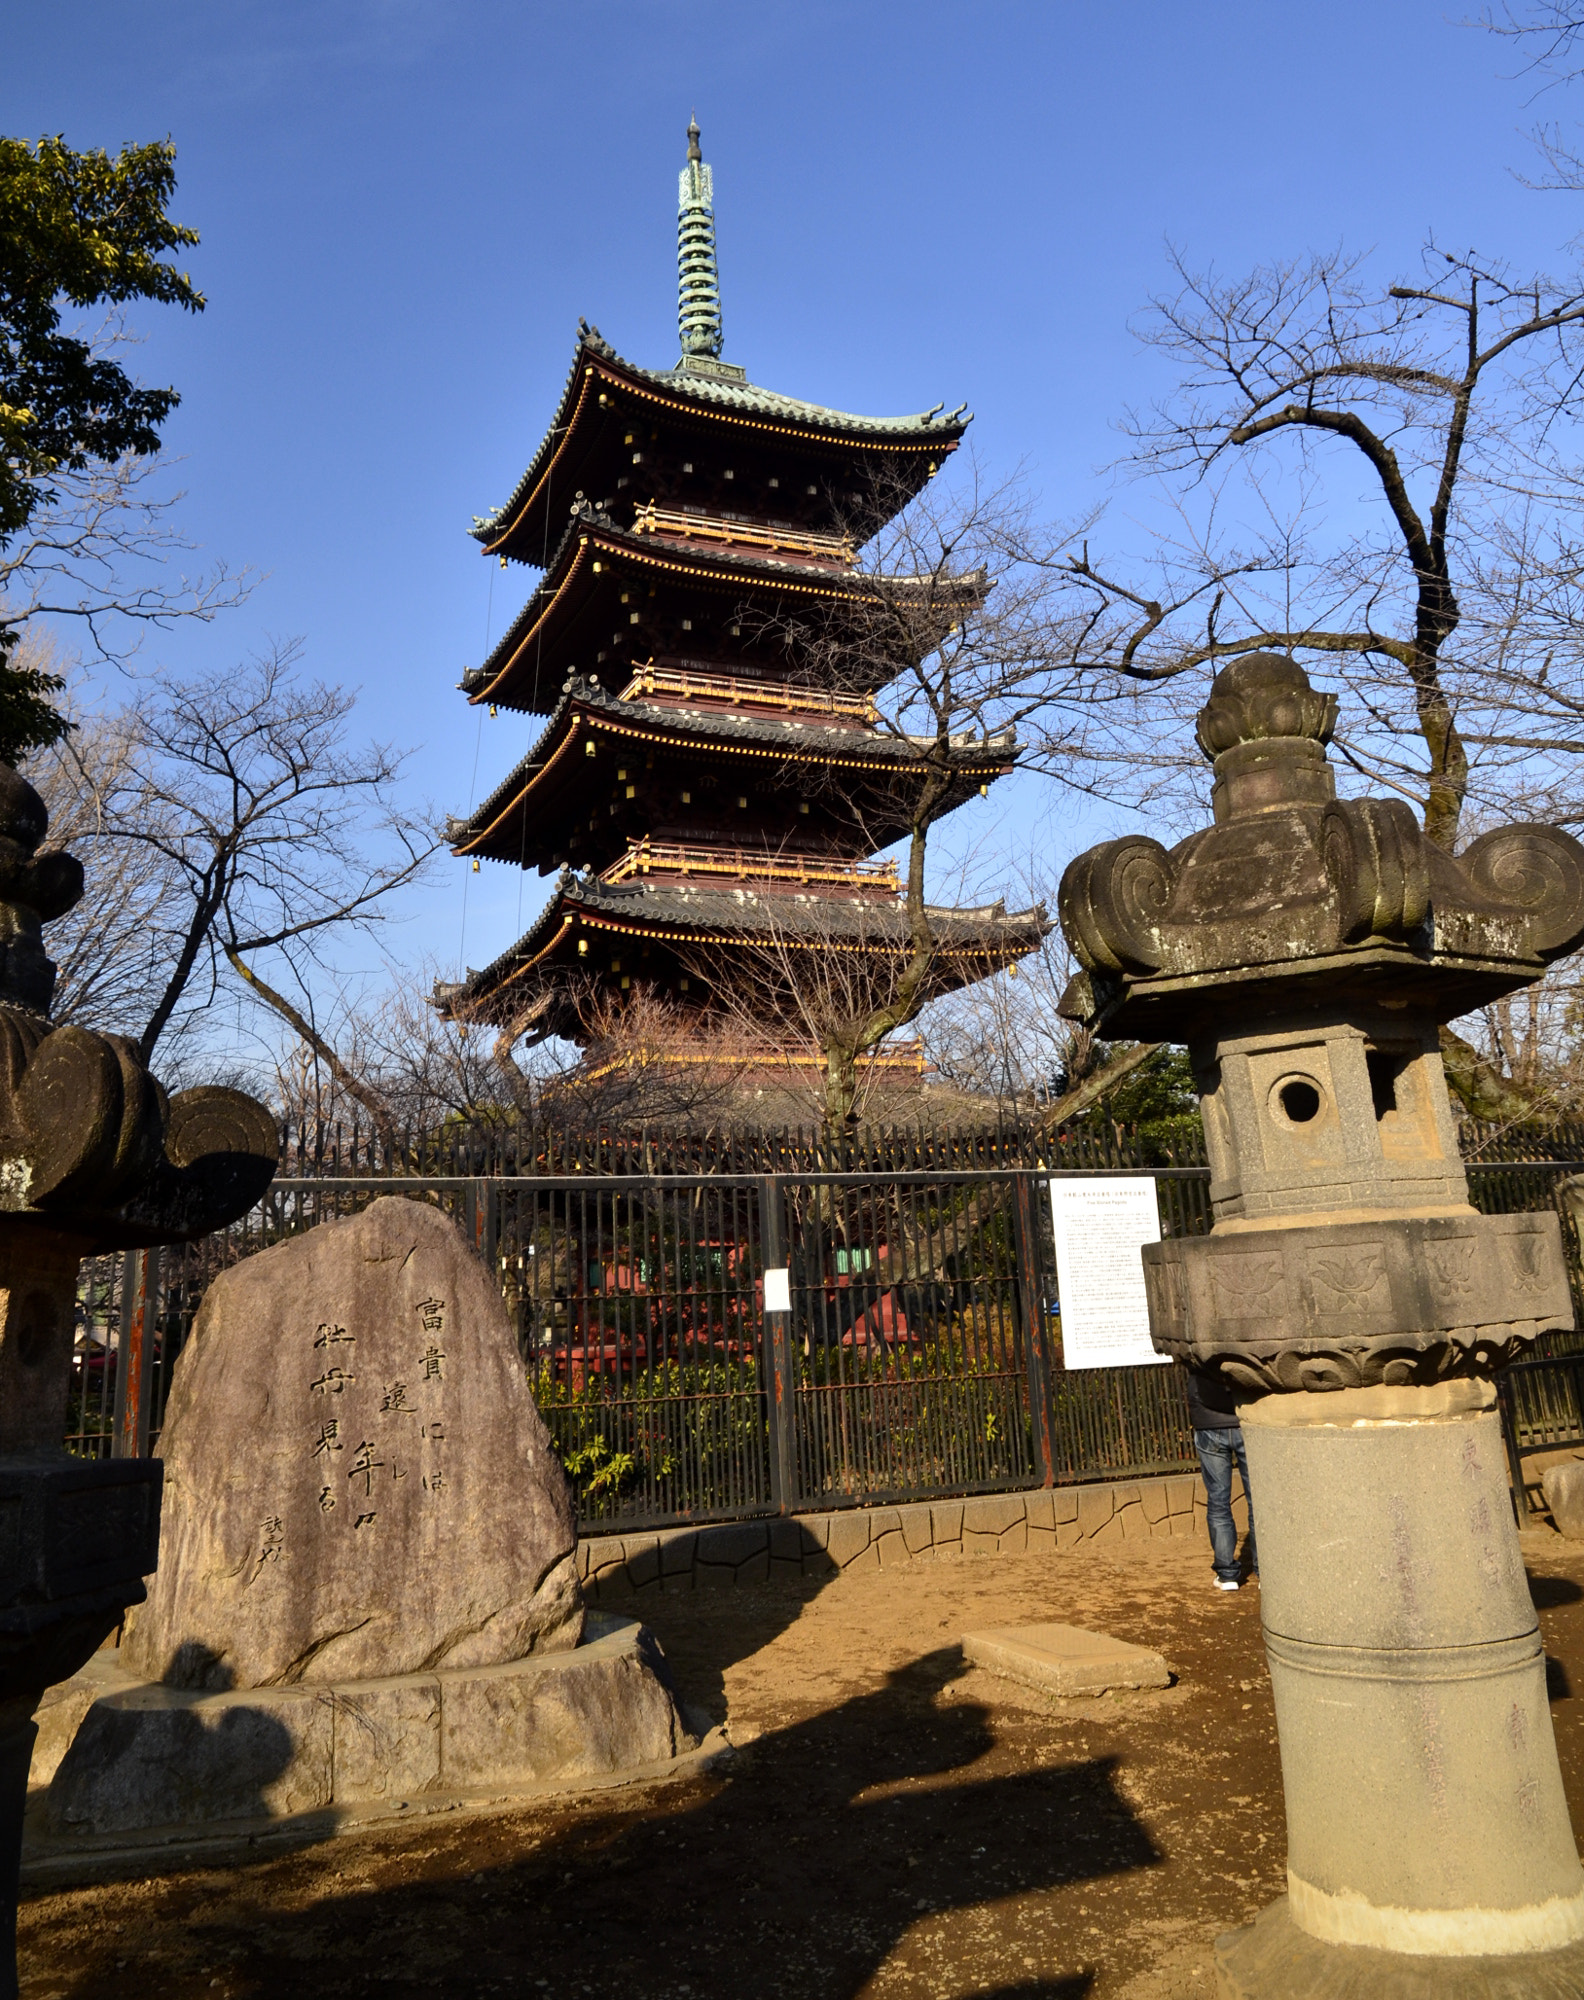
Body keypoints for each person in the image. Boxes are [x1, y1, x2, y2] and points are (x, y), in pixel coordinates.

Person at [1187, 1365, 1257, 1590]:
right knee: (1258, 1500)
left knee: (1218, 1500)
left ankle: (1227, 1575)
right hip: (1247, 1417)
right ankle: (1265, 1571)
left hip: (1208, 1419)